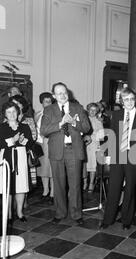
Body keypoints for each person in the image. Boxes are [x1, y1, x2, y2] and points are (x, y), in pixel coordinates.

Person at [40, 82, 90, 225]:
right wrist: (61, 123)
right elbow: (43, 130)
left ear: (67, 93)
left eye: (64, 92)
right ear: (54, 96)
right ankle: (60, 212)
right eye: (59, 93)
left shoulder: (77, 108)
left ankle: (76, 214)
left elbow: (86, 127)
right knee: (59, 184)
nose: (62, 95)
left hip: (74, 150)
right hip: (57, 151)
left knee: (75, 185)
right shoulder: (49, 110)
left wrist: (74, 123)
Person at [100, 87, 136, 230]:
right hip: (117, 155)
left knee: (130, 187)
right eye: (126, 99)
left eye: (131, 99)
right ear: (122, 101)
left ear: (135, 100)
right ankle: (108, 219)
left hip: (133, 156)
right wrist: (109, 155)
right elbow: (111, 135)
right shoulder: (116, 114)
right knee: (113, 187)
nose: (129, 102)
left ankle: (126, 220)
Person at [0, 101, 34, 222]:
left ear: (18, 112)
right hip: (7, 158)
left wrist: (23, 140)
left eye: (14, 111)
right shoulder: (2, 127)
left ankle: (19, 212)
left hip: (20, 158)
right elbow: (1, 143)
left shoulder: (24, 127)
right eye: (9, 112)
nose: (12, 114)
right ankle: (8, 214)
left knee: (20, 186)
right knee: (7, 188)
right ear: (5, 114)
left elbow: (30, 144)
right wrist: (13, 140)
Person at [35, 92, 55, 203]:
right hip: (41, 144)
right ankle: (45, 191)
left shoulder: (55, 114)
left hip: (51, 143)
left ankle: (53, 193)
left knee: (52, 169)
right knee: (43, 169)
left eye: (50, 101)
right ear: (41, 102)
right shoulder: (38, 114)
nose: (48, 103)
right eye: (46, 101)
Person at [83, 102, 104, 192]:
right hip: (85, 144)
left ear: (97, 111)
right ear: (88, 110)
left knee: (93, 165)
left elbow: (102, 135)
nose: (92, 112)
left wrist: (96, 135)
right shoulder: (84, 119)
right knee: (84, 164)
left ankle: (91, 183)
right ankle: (84, 182)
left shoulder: (99, 121)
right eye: (91, 110)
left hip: (95, 144)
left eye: (94, 110)